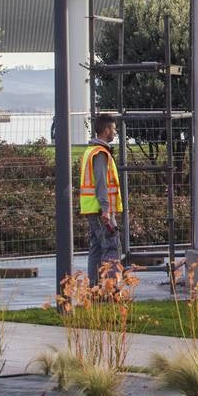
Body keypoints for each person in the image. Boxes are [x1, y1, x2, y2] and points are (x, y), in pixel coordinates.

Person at [79, 112, 122, 286]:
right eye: (113, 129)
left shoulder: (90, 151)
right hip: (101, 210)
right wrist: (106, 209)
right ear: (105, 130)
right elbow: (101, 183)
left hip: (92, 209)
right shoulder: (100, 153)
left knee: (96, 249)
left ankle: (94, 289)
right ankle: (110, 290)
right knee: (111, 247)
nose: (115, 132)